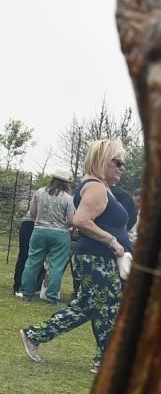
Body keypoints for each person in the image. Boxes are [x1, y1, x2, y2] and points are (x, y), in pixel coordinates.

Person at [20, 140, 131, 374]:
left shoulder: (100, 186)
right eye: (118, 162)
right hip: (97, 257)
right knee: (98, 306)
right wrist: (112, 241)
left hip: (100, 257)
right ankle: (35, 334)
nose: (122, 168)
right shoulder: (96, 187)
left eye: (123, 163)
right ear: (103, 161)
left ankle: (104, 358)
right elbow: (80, 220)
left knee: (101, 306)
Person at [19, 168, 75, 305]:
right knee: (56, 265)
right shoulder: (68, 199)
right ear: (67, 183)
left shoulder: (39, 192)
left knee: (32, 262)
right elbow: (71, 220)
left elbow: (32, 213)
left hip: (39, 231)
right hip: (60, 234)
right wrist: (64, 225)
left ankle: (26, 293)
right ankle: (51, 297)